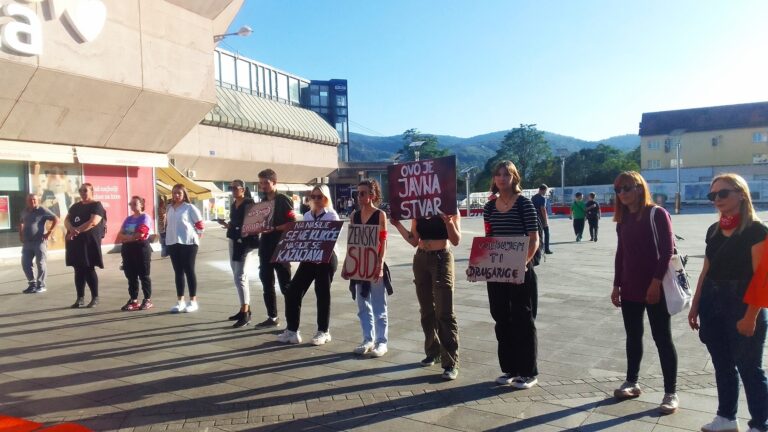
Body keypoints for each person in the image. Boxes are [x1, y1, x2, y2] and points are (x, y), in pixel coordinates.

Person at [688, 173, 767, 432]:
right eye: (713, 195)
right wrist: (696, 304)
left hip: (742, 305)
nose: (717, 199)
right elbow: (705, 271)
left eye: (723, 193)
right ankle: (726, 417)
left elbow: (762, 278)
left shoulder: (757, 231)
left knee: (750, 368)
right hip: (713, 304)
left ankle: (760, 423)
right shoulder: (714, 229)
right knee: (722, 364)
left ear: (741, 194)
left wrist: (751, 316)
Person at [611, 171, 679, 414]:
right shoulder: (623, 218)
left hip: (654, 287)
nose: (622, 193)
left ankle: (671, 392)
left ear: (639, 187)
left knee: (662, 338)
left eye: (627, 187)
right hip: (630, 286)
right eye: (618, 189)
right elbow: (622, 253)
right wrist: (616, 284)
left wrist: (656, 282)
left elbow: (667, 250)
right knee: (633, 336)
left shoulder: (656, 213)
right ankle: (632, 382)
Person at [482, 161, 540, 389]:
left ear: (514, 177)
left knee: (523, 320)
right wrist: (479, 264)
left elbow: (534, 238)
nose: (502, 178)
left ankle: (528, 372)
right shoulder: (489, 207)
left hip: (520, 270)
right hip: (497, 271)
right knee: (500, 317)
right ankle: (509, 368)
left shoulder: (524, 204)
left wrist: (523, 263)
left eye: (506, 174)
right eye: (498, 174)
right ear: (494, 179)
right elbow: (489, 239)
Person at [391, 210, 461, 380]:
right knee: (426, 310)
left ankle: (450, 362)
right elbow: (414, 240)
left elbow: (456, 240)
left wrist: (448, 222)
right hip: (421, 259)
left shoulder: (449, 207)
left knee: (444, 312)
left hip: (441, 258)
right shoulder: (418, 209)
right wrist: (398, 224)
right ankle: (433, 351)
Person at [278, 185, 339, 345]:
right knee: (293, 290)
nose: (317, 200)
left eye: (320, 197)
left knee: (322, 292)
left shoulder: (331, 215)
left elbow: (332, 239)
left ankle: (323, 331)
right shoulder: (307, 215)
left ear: (326, 198)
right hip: (309, 257)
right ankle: (292, 330)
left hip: (326, 258)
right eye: (314, 196)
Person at [343, 179, 391, 357]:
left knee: (379, 304)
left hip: (374, 263)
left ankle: (381, 342)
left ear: (372, 195)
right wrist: (347, 264)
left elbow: (383, 241)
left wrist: (380, 264)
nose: (358, 196)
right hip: (359, 264)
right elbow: (352, 243)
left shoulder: (380, 215)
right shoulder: (354, 215)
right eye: (357, 193)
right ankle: (367, 339)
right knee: (362, 305)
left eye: (362, 193)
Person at [255, 169, 296, 328]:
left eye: (266, 182)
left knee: (286, 286)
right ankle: (272, 317)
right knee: (266, 283)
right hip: (265, 247)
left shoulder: (283, 200)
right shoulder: (261, 202)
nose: (263, 186)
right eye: (261, 183)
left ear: (274, 182)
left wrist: (275, 228)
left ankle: (291, 322)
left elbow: (292, 224)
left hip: (281, 247)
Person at [219, 179, 259, 328]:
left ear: (243, 189)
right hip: (233, 240)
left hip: (244, 243)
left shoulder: (248, 203)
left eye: (236, 188)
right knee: (237, 276)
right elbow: (236, 223)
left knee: (240, 276)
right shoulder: (234, 203)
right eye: (231, 188)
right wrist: (227, 225)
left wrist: (238, 229)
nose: (233, 190)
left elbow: (250, 223)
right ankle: (243, 307)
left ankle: (245, 312)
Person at [64, 183, 105, 308]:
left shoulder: (96, 205)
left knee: (89, 268)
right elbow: (66, 220)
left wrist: (77, 231)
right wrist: (71, 229)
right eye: (80, 190)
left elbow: (93, 222)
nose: (82, 193)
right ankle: (80, 298)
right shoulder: (75, 206)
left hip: (89, 243)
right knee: (78, 269)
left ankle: (95, 297)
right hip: (75, 242)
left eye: (85, 190)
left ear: (92, 191)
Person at [165, 184, 204, 313]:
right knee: (178, 272)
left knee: (189, 270)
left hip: (188, 243)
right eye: (174, 193)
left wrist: (196, 238)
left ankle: (193, 301)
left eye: (179, 193)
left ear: (184, 194)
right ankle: (180, 301)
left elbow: (200, 225)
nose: (176, 195)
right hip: (173, 242)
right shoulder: (169, 208)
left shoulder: (189, 208)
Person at [117, 196, 154, 311]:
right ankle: (133, 300)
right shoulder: (128, 219)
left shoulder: (145, 217)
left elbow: (141, 234)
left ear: (141, 204)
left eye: (134, 203)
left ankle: (147, 299)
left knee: (144, 275)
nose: (132, 206)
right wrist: (130, 238)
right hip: (128, 249)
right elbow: (119, 235)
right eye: (130, 204)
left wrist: (127, 238)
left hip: (141, 248)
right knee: (131, 276)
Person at [19, 193, 59, 294]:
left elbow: (56, 219)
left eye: (34, 200)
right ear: (26, 201)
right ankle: (32, 284)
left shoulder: (42, 210)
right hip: (27, 242)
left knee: (40, 263)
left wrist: (49, 232)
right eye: (30, 200)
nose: (32, 201)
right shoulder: (24, 211)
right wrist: (20, 234)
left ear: (38, 200)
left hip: (39, 241)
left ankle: (41, 285)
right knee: (25, 263)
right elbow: (21, 222)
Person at [530, 184, 553, 254]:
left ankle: (538, 249)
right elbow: (543, 209)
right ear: (543, 190)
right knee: (546, 233)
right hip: (541, 217)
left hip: (534, 217)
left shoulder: (533, 197)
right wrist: (545, 220)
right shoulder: (542, 198)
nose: (545, 192)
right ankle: (546, 249)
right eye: (545, 191)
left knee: (538, 234)